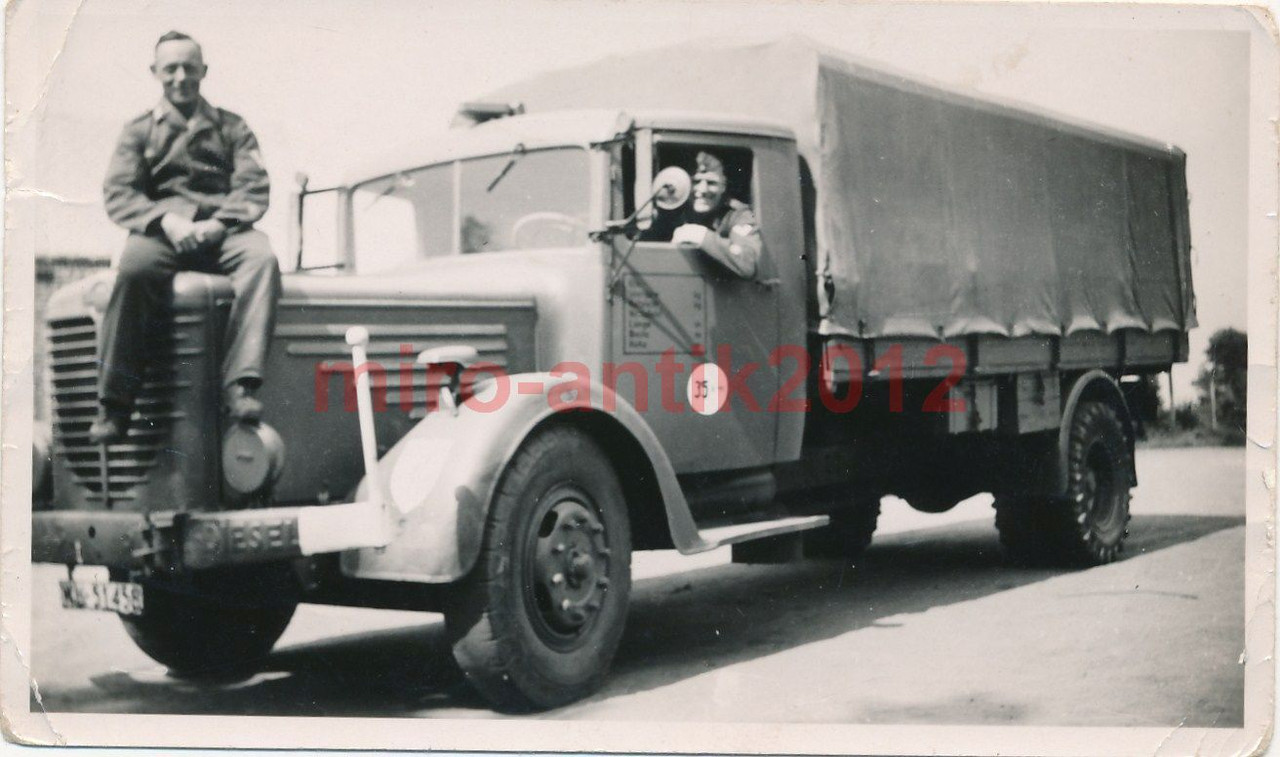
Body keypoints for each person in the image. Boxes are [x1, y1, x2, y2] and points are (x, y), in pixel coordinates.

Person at [90, 31, 280, 444]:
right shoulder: (138, 131)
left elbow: (253, 186)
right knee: (133, 270)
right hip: (163, 234)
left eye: (189, 68)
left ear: (204, 71)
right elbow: (119, 192)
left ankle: (241, 385)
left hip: (222, 231)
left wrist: (220, 223)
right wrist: (165, 220)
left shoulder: (232, 128)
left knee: (262, 260)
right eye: (171, 68)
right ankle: (114, 405)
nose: (180, 77)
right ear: (155, 72)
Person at [668, 151, 763, 279]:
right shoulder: (674, 211)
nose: (702, 190)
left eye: (711, 183)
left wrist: (701, 235)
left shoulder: (738, 215)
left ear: (723, 186)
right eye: (696, 181)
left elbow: (748, 264)